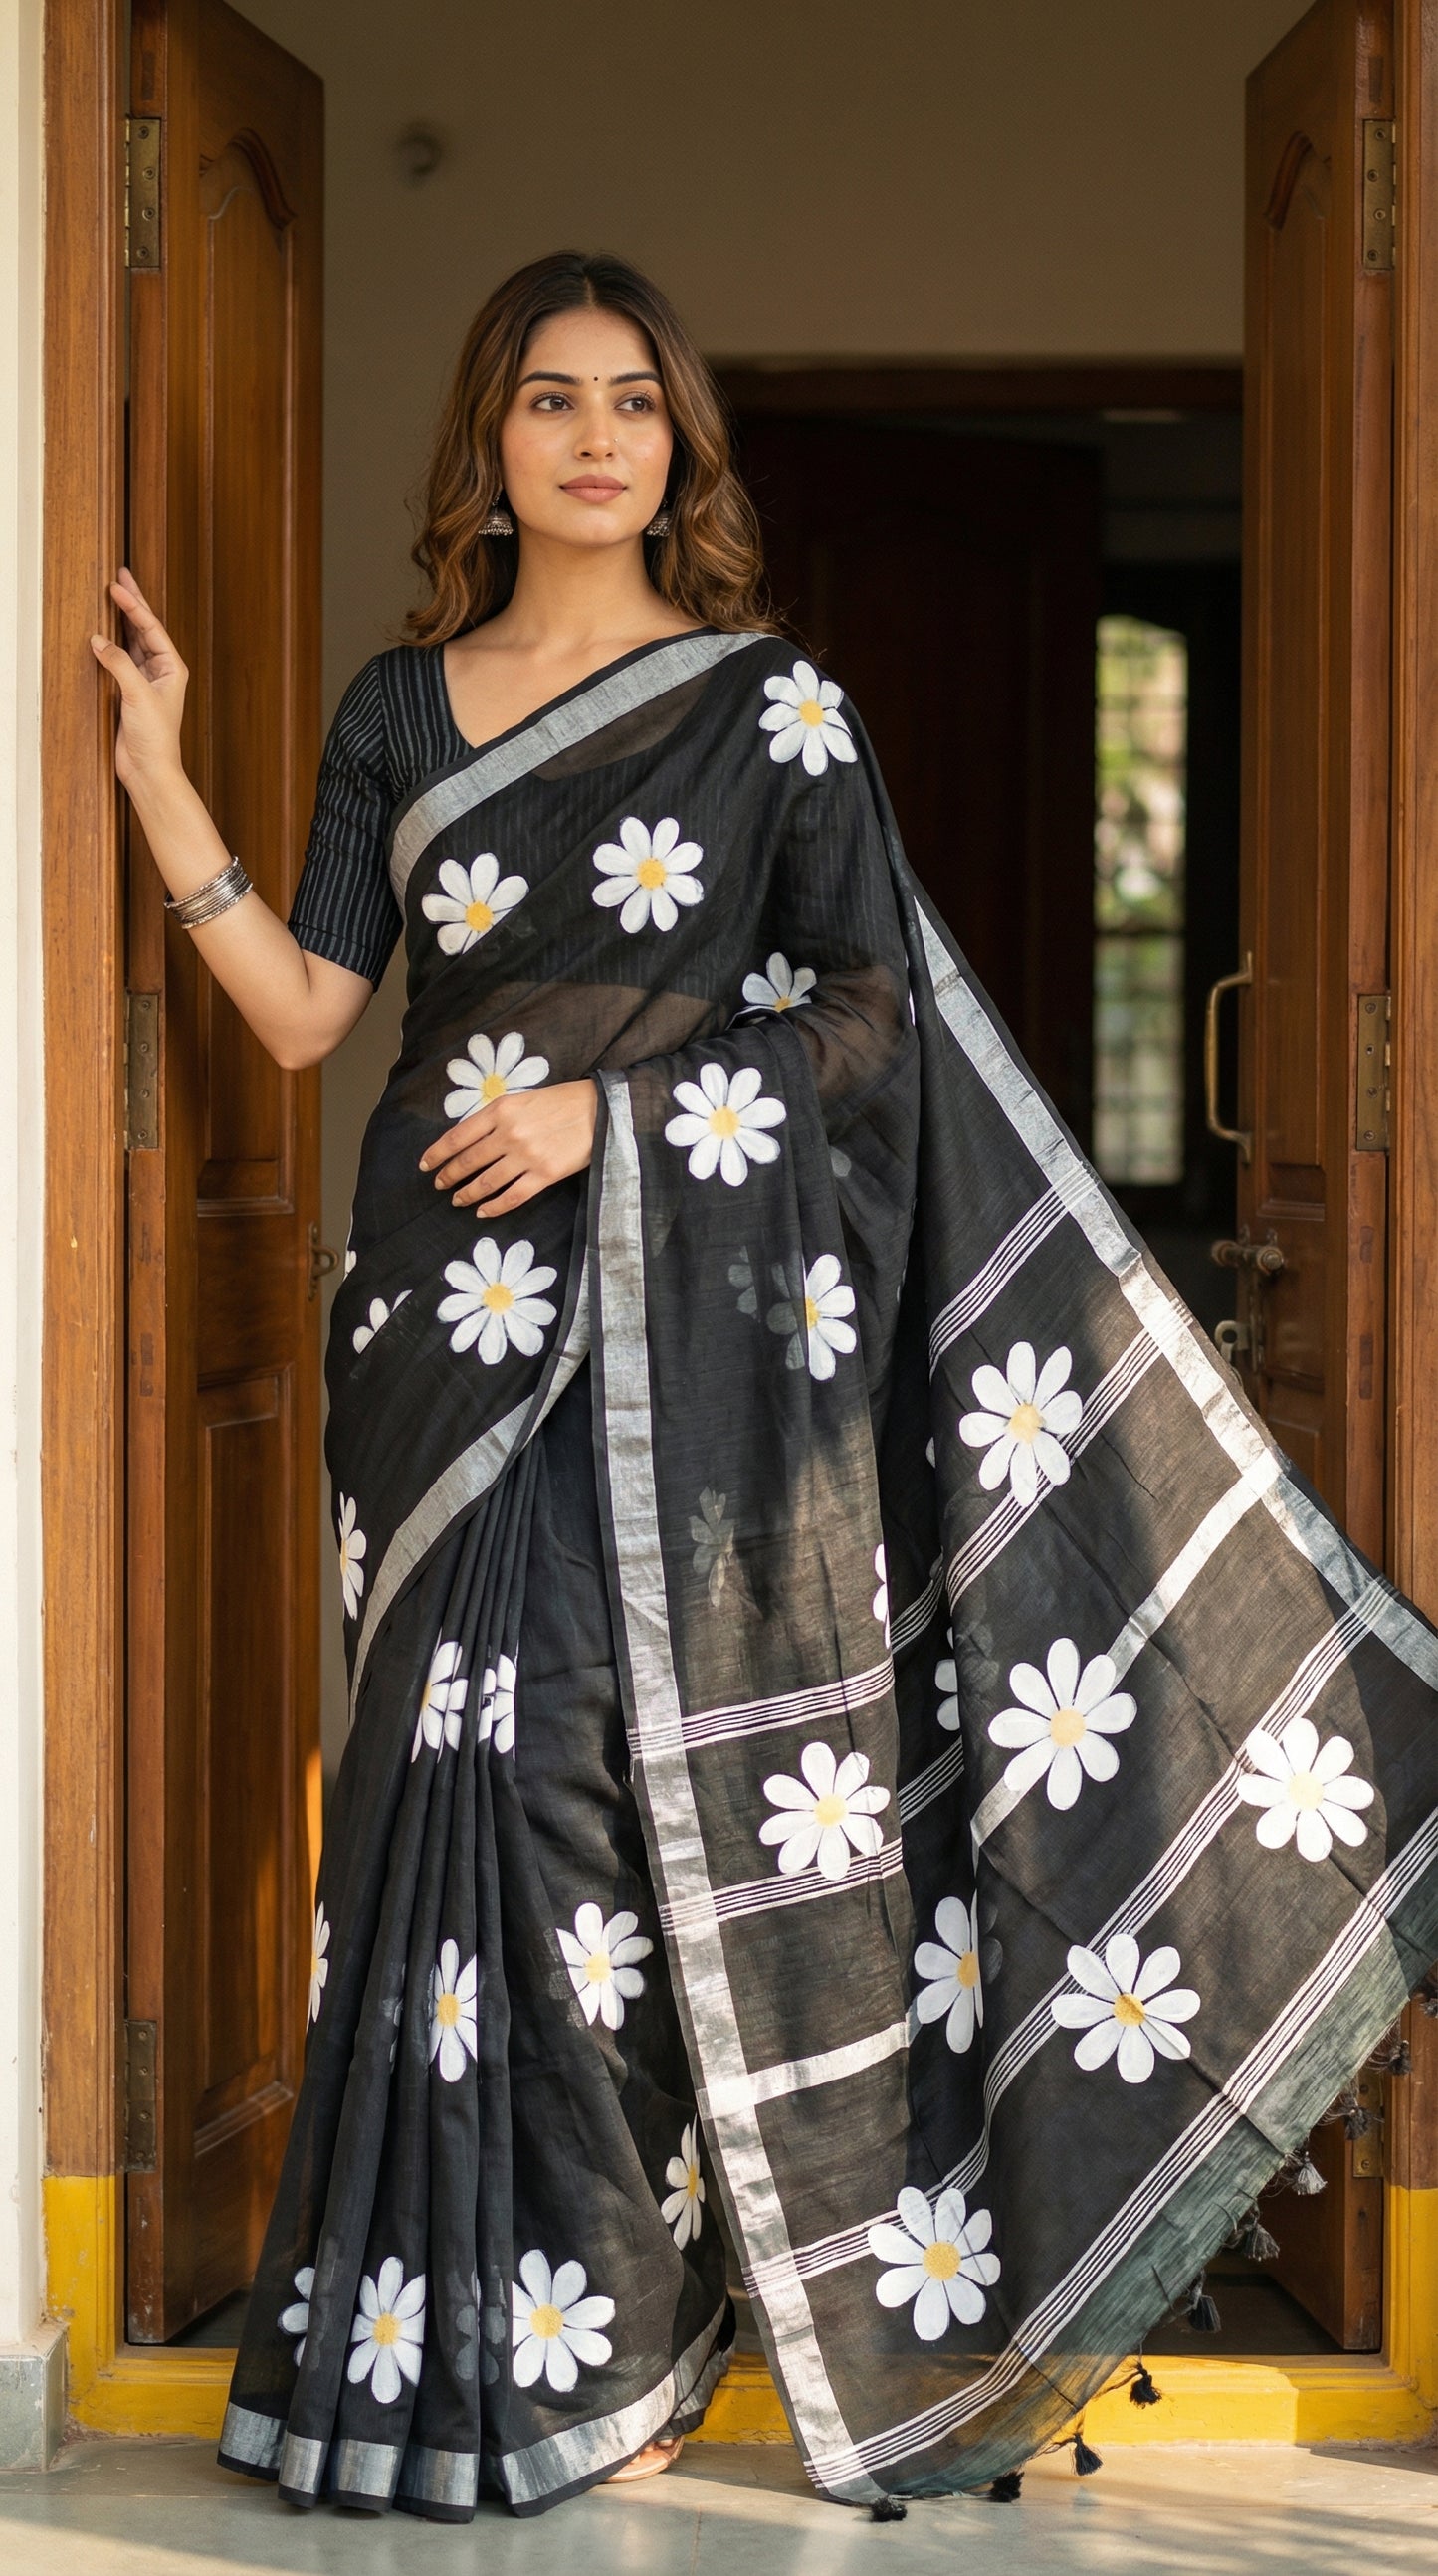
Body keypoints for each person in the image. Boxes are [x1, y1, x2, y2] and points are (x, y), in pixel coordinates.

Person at [92, 249, 1438, 2525]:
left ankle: (614, 2319)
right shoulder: (397, 713)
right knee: (461, 1796)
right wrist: (155, 773)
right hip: (445, 1345)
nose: (596, 436)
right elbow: (316, 1015)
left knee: (621, 1817)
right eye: (550, 399)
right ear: (490, 443)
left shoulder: (775, 705)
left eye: (635, 401)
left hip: (693, 1345)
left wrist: (612, 1119)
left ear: (681, 450)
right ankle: (447, 2334)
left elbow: (860, 1021)